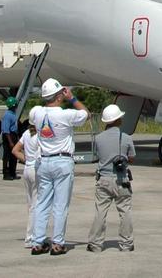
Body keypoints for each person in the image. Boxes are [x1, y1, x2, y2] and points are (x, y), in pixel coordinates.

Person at [28, 78, 89, 256]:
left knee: (42, 203)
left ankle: (38, 242)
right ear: (59, 96)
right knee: (60, 205)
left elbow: (33, 117)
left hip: (43, 162)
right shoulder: (66, 115)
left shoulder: (37, 112)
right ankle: (57, 243)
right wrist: (72, 98)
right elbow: (86, 114)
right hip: (62, 161)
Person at [87, 104, 135, 253]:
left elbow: (99, 156)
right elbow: (132, 157)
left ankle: (95, 244)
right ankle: (126, 244)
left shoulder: (99, 138)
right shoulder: (126, 138)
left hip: (104, 179)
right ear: (118, 120)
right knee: (125, 211)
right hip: (121, 179)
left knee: (100, 211)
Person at [12, 123, 41, 249]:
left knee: (30, 205)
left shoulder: (26, 133)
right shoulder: (40, 136)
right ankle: (31, 237)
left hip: (27, 169)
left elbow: (15, 150)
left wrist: (27, 160)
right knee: (36, 205)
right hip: (36, 170)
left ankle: (31, 235)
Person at [1, 96, 20, 180]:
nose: (16, 106)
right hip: (8, 136)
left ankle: (13, 173)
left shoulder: (13, 114)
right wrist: (10, 142)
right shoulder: (7, 115)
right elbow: (5, 130)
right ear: (13, 105)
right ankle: (6, 174)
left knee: (14, 156)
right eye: (15, 104)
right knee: (7, 156)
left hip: (13, 135)